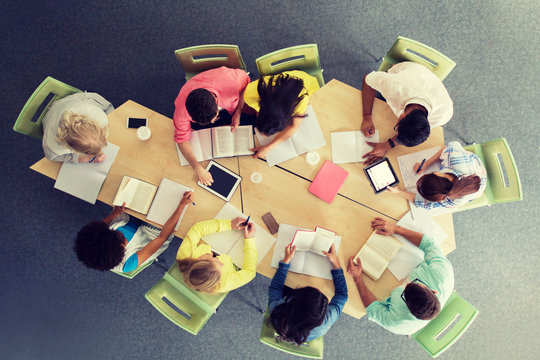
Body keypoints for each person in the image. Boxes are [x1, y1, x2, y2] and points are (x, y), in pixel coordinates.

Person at [347, 217, 454, 335]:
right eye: (414, 283)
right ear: (434, 291)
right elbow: (429, 244)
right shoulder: (443, 273)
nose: (407, 283)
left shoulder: (397, 322)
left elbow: (373, 310)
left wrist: (358, 279)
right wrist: (396, 229)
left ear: (408, 308)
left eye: (405, 291)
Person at [360, 61, 453, 165]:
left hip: (426, 81)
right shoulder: (393, 86)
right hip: (405, 70)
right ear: (402, 116)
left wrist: (388, 145)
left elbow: (413, 132)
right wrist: (367, 117)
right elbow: (367, 79)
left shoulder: (444, 114)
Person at [74, 192, 193, 273]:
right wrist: (181, 206)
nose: (121, 235)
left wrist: (115, 214)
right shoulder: (128, 263)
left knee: (134, 195)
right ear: (122, 250)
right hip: (152, 235)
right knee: (168, 204)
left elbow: (100, 227)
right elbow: (162, 237)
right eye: (121, 239)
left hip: (127, 222)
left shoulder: (96, 237)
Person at [173, 66, 250, 186]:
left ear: (215, 100)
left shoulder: (232, 81)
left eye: (214, 117)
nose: (213, 122)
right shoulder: (181, 111)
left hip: (232, 103)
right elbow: (181, 139)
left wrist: (238, 113)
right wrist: (197, 167)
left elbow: (246, 85)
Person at [268, 243, 348, 344]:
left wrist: (285, 262)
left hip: (286, 328)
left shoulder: (277, 312)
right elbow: (342, 295)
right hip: (302, 336)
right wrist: (336, 263)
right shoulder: (327, 320)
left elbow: (275, 288)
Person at [387, 141, 487, 210]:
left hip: (477, 177)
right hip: (476, 172)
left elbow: (423, 203)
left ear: (437, 172)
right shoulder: (454, 157)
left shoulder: (454, 199)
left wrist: (398, 192)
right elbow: (448, 146)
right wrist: (427, 163)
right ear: (436, 173)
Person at [243, 70, 320, 159]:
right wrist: (266, 128)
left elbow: (295, 126)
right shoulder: (250, 94)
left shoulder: (300, 99)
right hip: (287, 84)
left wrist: (269, 147)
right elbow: (258, 110)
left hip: (308, 87)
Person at [176, 217, 257, 293]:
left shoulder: (185, 254)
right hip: (236, 261)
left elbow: (197, 228)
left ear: (200, 259)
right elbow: (249, 272)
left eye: (217, 261)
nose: (222, 264)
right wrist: (249, 239)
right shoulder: (223, 283)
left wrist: (230, 224)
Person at [42, 92, 113, 163]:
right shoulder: (53, 146)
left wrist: (98, 149)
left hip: (69, 104)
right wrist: (82, 159)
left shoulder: (98, 116)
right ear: (71, 148)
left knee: (109, 109)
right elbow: (52, 157)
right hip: (51, 116)